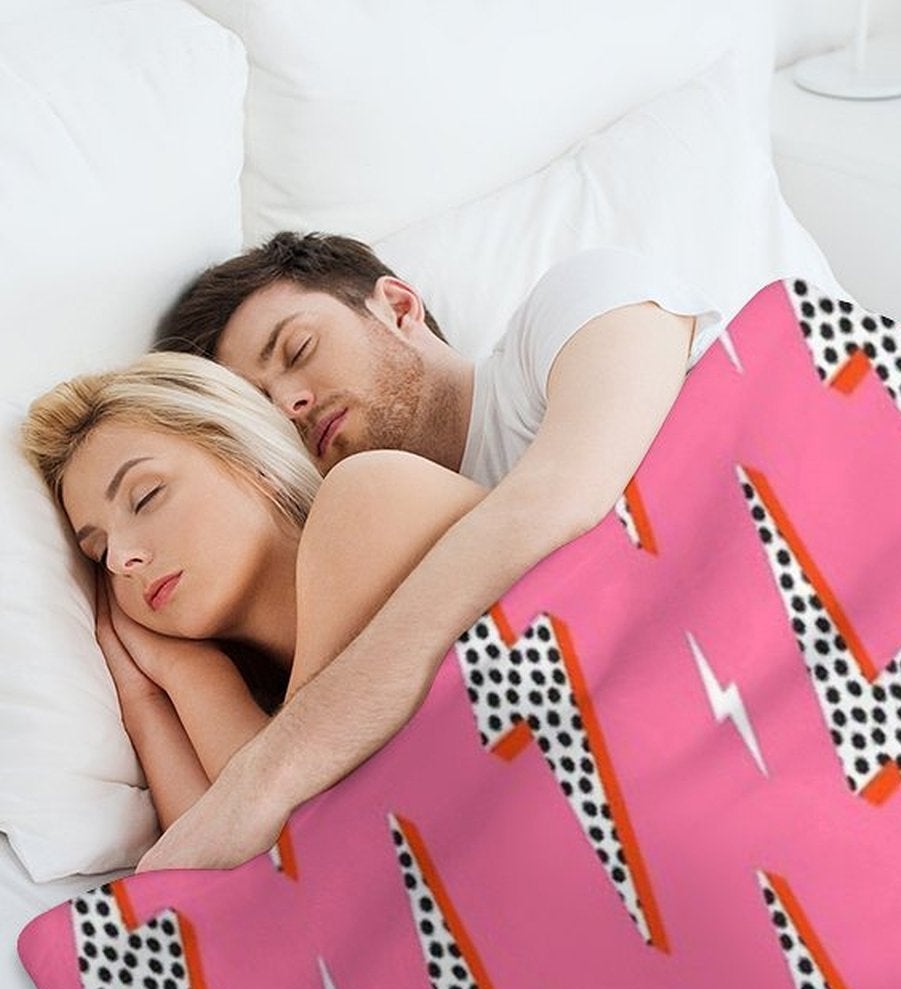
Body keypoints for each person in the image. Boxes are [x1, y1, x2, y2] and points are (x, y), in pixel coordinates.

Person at [137, 233, 724, 870]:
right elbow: (325, 838)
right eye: (263, 413)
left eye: (298, 349)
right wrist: (173, 673)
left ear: (398, 306)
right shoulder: (365, 559)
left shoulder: (576, 305)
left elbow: (561, 501)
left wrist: (270, 775)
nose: (290, 404)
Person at [22, 354, 489, 833]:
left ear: (249, 462)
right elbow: (212, 872)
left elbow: (294, 825)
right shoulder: (257, 717)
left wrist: (198, 681)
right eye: (99, 553)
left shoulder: (372, 495)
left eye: (145, 497)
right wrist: (147, 698)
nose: (121, 559)